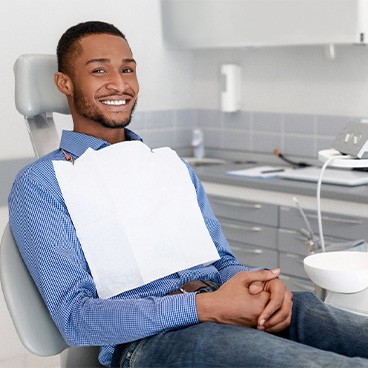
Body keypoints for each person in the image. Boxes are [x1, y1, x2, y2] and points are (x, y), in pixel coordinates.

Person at [8, 20, 368, 368]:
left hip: (222, 306)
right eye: (99, 71)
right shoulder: (41, 184)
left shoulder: (168, 166)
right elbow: (76, 318)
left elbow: (222, 263)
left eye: (128, 70)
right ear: (65, 83)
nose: (119, 84)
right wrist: (206, 307)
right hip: (153, 341)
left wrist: (262, 284)